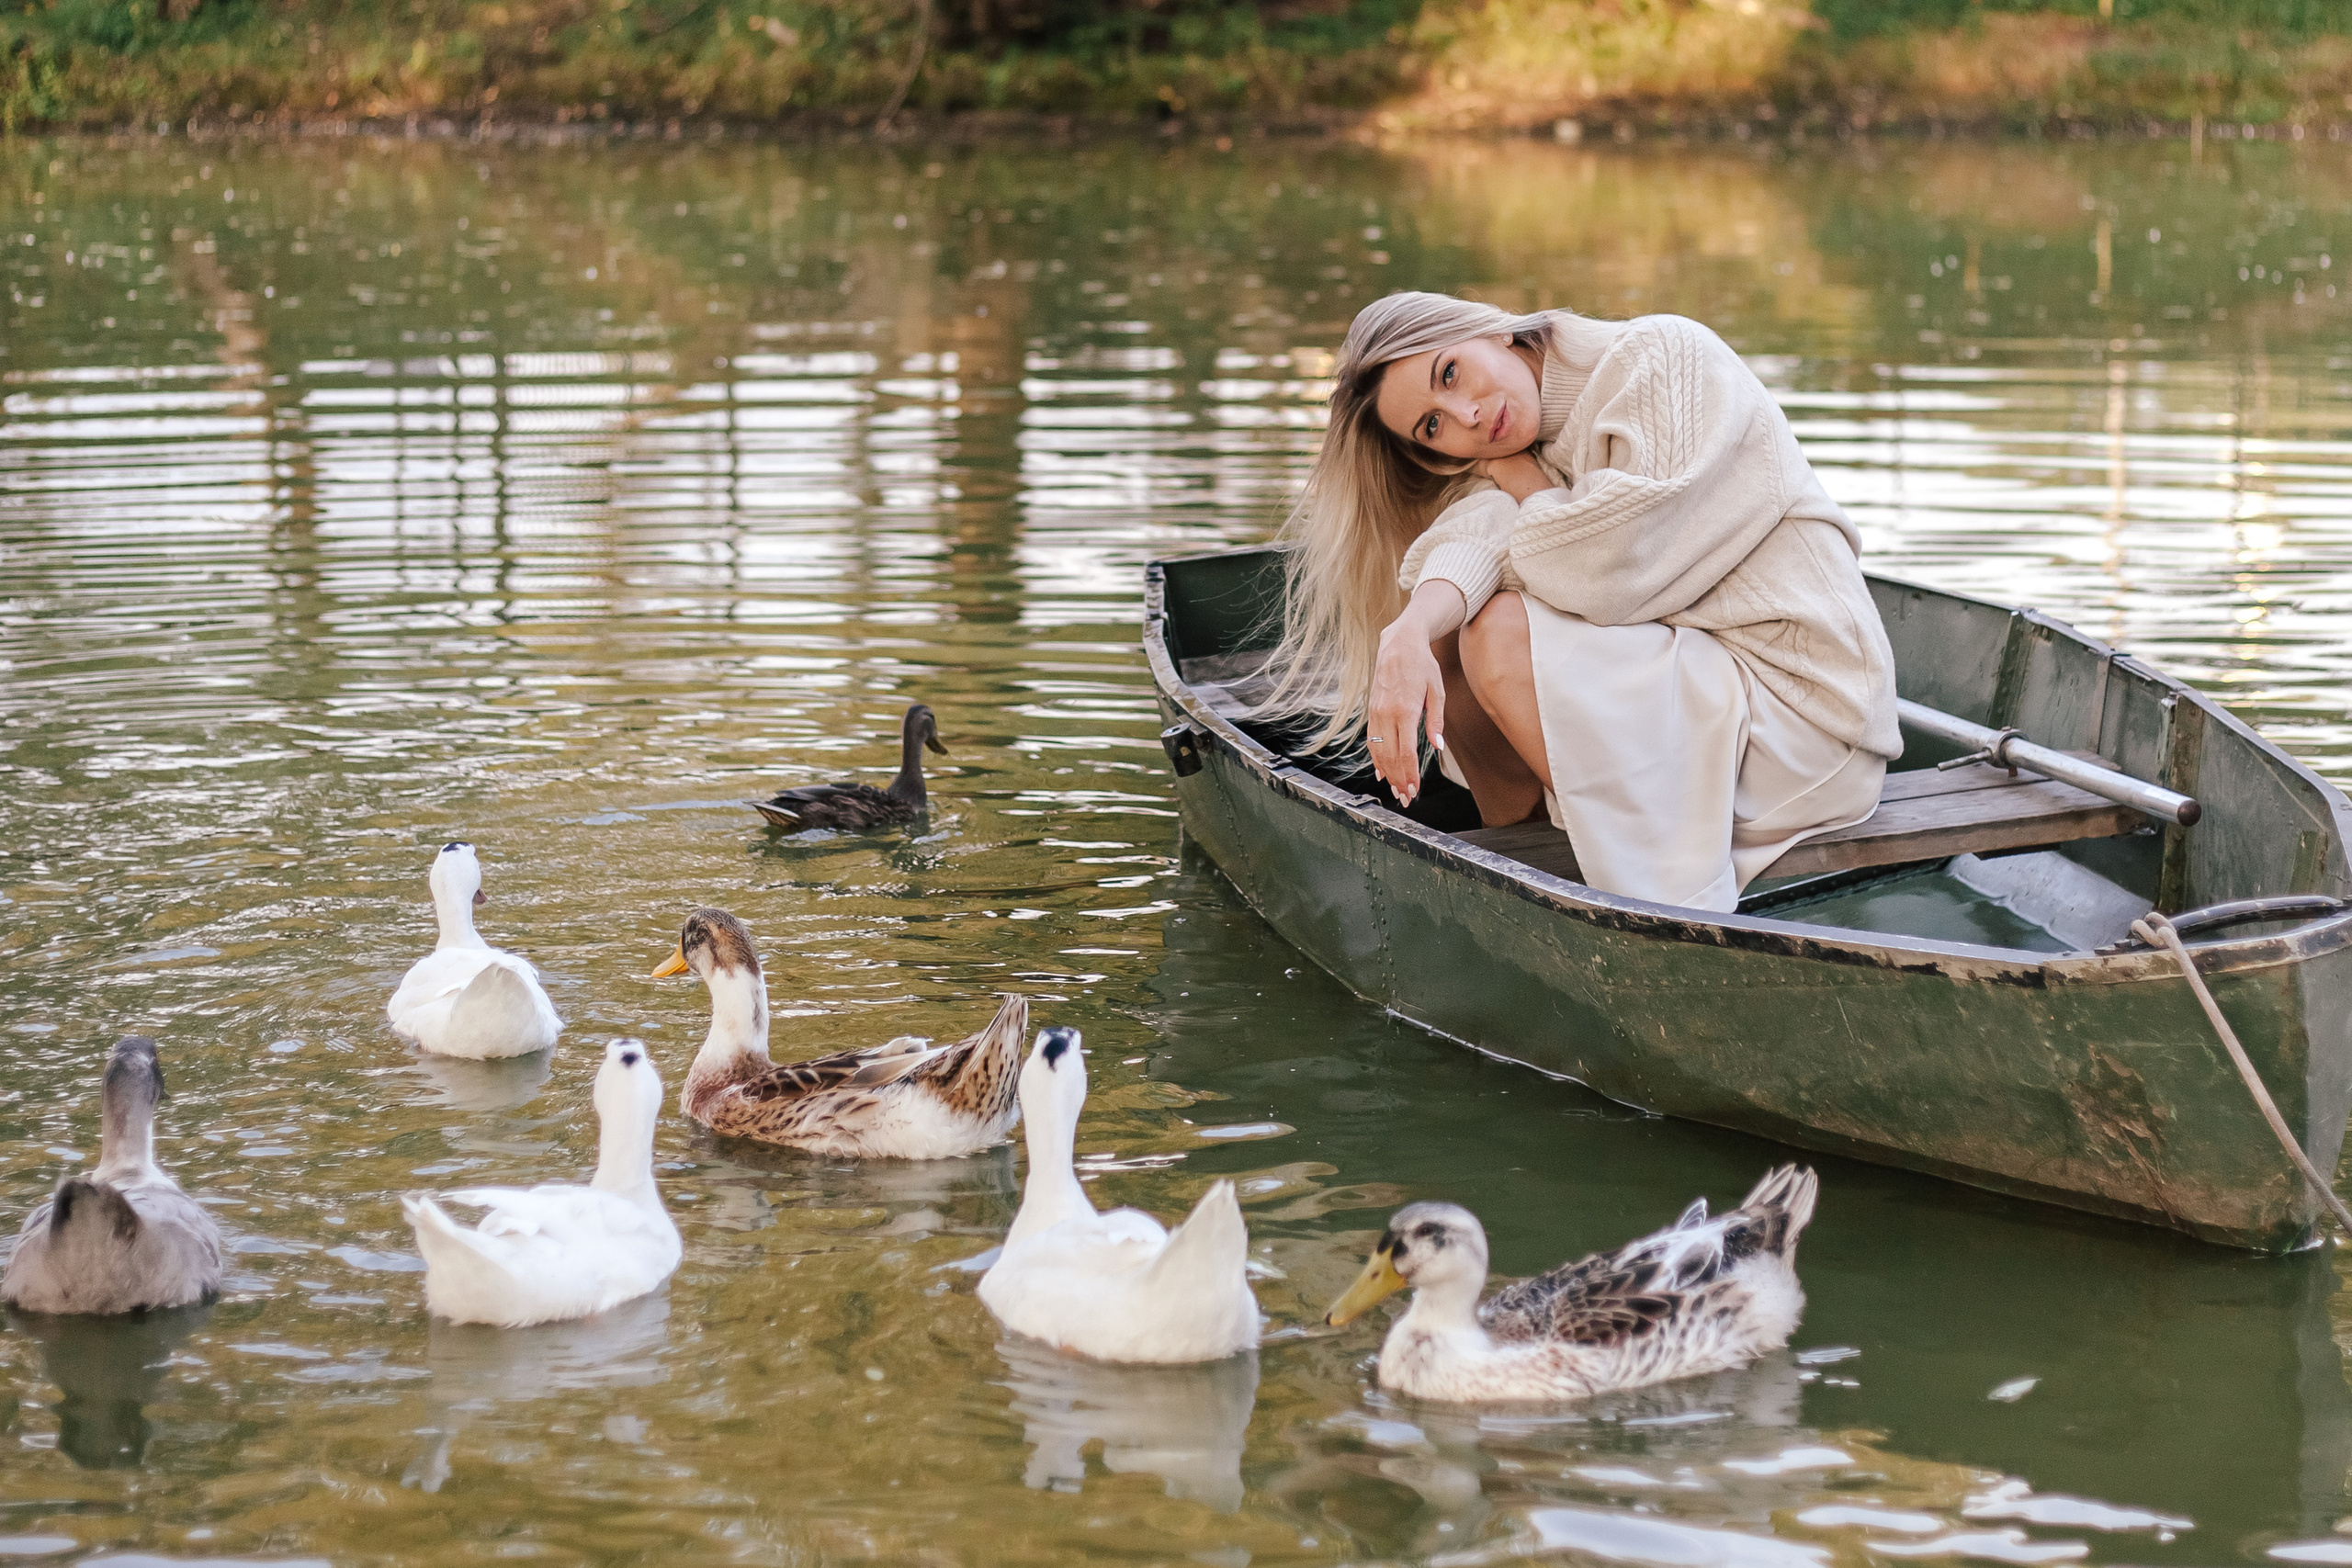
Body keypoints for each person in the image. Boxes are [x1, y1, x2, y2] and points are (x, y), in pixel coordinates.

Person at [1259, 291, 1900, 913]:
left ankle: (1660, 904)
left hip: (1810, 720)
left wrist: (1526, 484)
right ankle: (1525, 858)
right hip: (1717, 699)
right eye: (1435, 425)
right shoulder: (1517, 442)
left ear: (1494, 329)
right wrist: (1406, 632)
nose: (1467, 417)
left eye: (1450, 373)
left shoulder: (1662, 357)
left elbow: (1612, 570)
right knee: (1449, 636)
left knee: (1499, 632)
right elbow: (1473, 541)